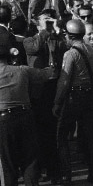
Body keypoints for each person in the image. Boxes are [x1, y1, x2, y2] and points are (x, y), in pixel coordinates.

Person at [52, 18, 93, 184]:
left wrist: (57, 102)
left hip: (74, 97)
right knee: (91, 136)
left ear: (70, 36)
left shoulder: (70, 54)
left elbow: (64, 81)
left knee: (62, 135)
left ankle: (67, 174)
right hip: (90, 97)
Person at [0, 40, 52, 186]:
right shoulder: (22, 70)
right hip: (25, 117)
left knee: (8, 166)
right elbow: (46, 74)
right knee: (30, 161)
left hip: (3, 122)